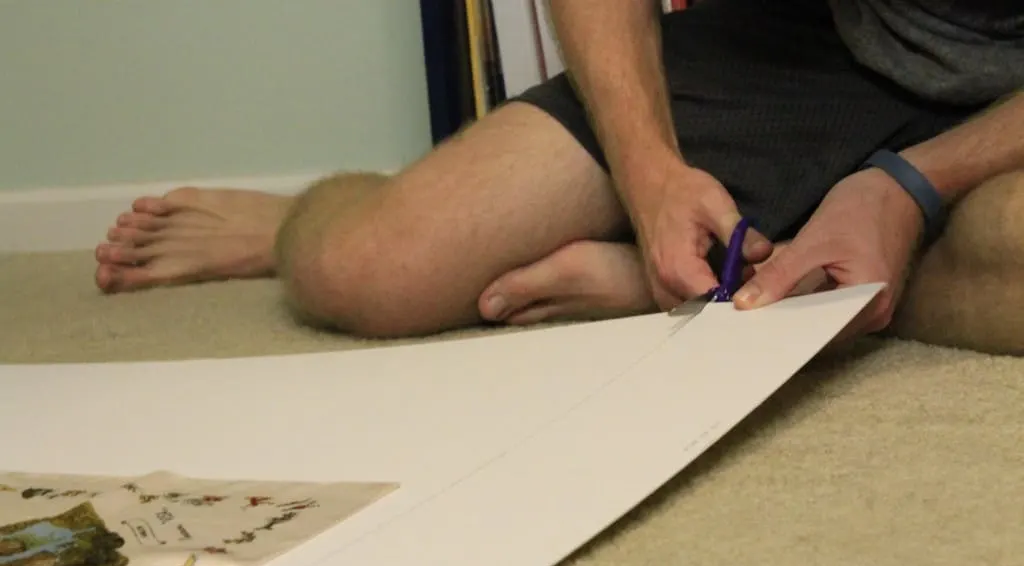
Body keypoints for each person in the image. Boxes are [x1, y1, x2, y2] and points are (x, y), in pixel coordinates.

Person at [92, 0, 1024, 343]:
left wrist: (906, 185)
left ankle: (725, 277)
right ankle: (300, 213)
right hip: (816, 36)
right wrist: (650, 174)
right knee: (364, 267)